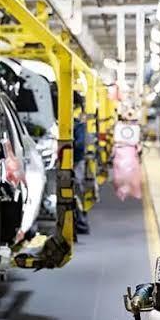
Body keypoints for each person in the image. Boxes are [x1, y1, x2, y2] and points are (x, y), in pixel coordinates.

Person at [73, 93, 90, 235]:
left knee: (77, 187)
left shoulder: (78, 125)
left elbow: (80, 144)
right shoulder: (77, 124)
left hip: (76, 160)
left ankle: (81, 220)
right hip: (74, 159)